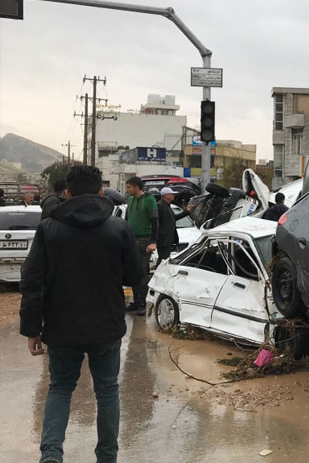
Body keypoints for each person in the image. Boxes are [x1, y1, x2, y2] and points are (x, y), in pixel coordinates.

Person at [19, 165, 143, 463]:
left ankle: (51, 456)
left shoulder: (48, 228)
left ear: (67, 193)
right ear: (101, 190)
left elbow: (32, 281)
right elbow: (135, 275)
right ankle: (107, 457)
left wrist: (32, 328)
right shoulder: (118, 228)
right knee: (107, 390)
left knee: (60, 388)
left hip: (61, 326)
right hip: (107, 324)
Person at [124, 176, 158, 316]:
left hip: (144, 240)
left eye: (129, 187)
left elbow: (155, 221)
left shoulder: (150, 200)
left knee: (142, 272)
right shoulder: (130, 200)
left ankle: (142, 303)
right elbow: (126, 220)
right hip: (131, 239)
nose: (127, 190)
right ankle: (135, 302)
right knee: (132, 271)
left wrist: (153, 241)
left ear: (136, 187)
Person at [156, 187, 193, 264]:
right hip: (163, 240)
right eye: (172, 194)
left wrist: (187, 211)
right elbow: (156, 223)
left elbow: (173, 218)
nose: (174, 196)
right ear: (166, 195)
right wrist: (160, 236)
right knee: (163, 260)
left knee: (165, 259)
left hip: (168, 239)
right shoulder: (160, 206)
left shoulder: (167, 205)